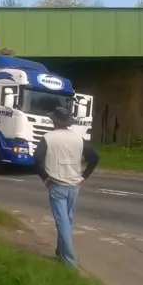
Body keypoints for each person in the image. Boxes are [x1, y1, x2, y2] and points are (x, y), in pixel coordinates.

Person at [33, 107, 100, 267]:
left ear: (54, 121)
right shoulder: (78, 138)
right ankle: (61, 251)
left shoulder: (48, 138)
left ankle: (69, 262)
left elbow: (36, 158)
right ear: (68, 122)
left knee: (62, 221)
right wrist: (84, 175)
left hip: (57, 184)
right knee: (67, 220)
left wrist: (45, 177)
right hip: (74, 185)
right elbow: (95, 157)